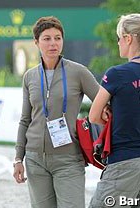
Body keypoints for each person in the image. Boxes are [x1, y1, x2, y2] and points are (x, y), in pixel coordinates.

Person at [13, 16, 99, 208]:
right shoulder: (30, 77)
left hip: (68, 159)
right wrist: (19, 158)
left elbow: (103, 103)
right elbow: (25, 120)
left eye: (58, 38)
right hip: (35, 160)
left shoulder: (79, 72)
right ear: (36, 42)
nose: (53, 43)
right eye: (47, 38)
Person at [88, 13, 140, 208]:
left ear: (128, 38)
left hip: (124, 162)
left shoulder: (117, 74)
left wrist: (109, 113)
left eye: (119, 38)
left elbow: (93, 116)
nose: (118, 43)